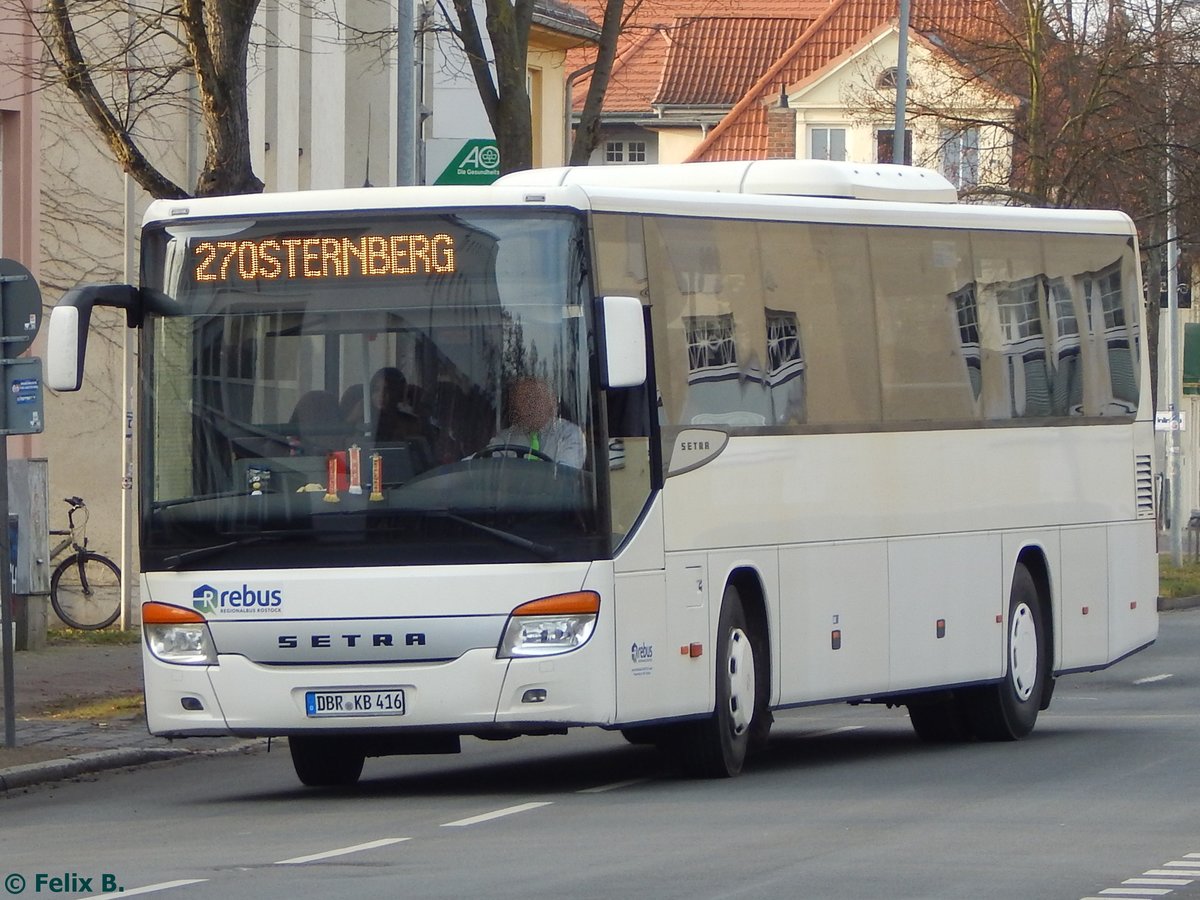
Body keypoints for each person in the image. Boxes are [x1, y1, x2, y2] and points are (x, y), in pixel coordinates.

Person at [488, 376, 585, 467]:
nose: (531, 404)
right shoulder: (506, 438)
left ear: (551, 401)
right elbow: (482, 461)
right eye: (524, 399)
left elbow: (564, 474)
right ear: (516, 407)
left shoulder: (570, 434)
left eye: (536, 397)